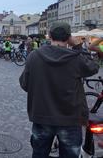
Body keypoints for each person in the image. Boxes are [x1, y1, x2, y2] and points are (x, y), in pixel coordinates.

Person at [19, 22, 99, 158]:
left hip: (42, 116)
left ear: (49, 35)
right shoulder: (76, 58)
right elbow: (93, 67)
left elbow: (25, 84)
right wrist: (78, 46)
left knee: (39, 154)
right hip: (70, 119)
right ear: (68, 37)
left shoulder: (34, 56)